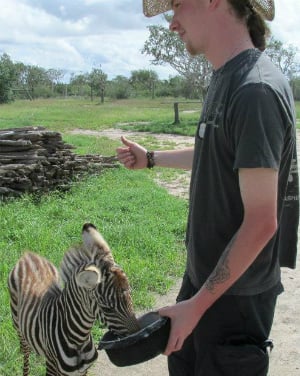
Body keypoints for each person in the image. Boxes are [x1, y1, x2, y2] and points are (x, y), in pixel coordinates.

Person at [116, 0, 299, 375]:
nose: (173, 23)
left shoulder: (256, 91)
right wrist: (151, 158)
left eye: (178, 5)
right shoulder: (226, 76)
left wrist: (196, 306)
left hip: (234, 300)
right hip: (204, 283)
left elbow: (262, 222)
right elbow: (215, 148)